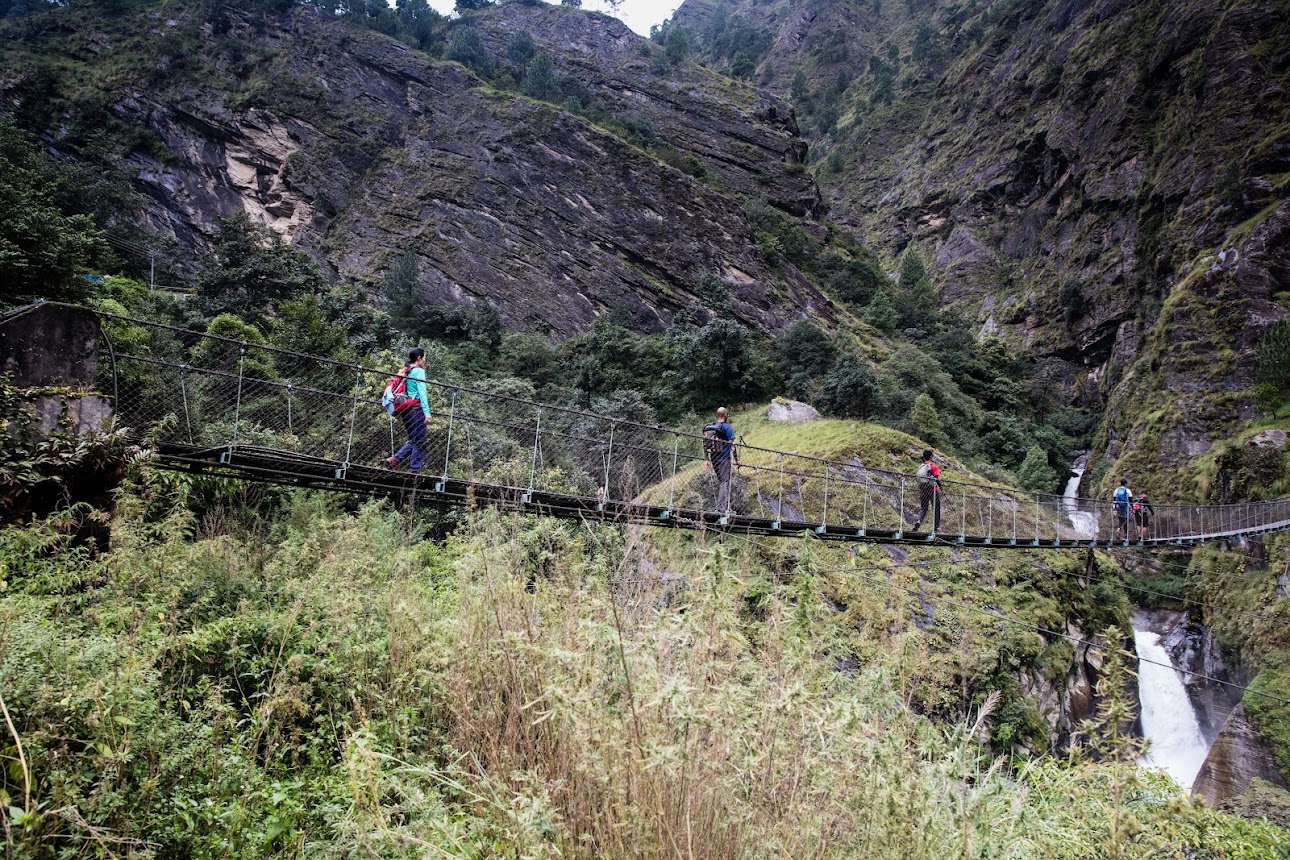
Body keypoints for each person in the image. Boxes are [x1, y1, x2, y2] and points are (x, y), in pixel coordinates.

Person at [386, 347, 432, 473]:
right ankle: (414, 470)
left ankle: (395, 459)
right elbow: (422, 393)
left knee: (414, 439)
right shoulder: (419, 371)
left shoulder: (407, 370)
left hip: (406, 410)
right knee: (420, 441)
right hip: (416, 410)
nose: (425, 360)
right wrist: (427, 413)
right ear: (419, 358)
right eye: (424, 357)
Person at [705, 406, 739, 514]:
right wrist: (737, 460)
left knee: (722, 482)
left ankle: (725, 507)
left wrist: (706, 459)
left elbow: (705, 443)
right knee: (725, 482)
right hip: (724, 459)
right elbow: (733, 446)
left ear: (717, 415)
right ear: (725, 415)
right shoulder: (726, 427)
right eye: (727, 414)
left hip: (714, 458)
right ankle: (721, 509)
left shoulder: (710, 427)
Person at [911, 449, 941, 532]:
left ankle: (918, 521)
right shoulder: (933, 466)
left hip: (923, 490)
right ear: (931, 456)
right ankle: (936, 528)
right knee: (936, 508)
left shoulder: (921, 466)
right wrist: (941, 488)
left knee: (924, 508)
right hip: (932, 490)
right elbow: (936, 479)